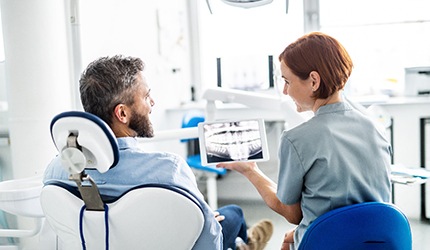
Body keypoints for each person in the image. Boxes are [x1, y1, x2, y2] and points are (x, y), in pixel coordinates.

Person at [43, 55, 273, 250]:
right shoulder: (169, 169)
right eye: (145, 96)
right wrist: (203, 220)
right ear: (122, 113)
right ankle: (245, 243)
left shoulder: (57, 171)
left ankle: (244, 243)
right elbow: (208, 242)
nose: (152, 102)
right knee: (233, 214)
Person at [217, 32, 392, 250]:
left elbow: (291, 212)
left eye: (287, 81)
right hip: (377, 241)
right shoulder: (375, 125)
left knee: (290, 239)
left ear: (313, 81)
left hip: (330, 243)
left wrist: (250, 170)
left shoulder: (297, 139)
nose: (284, 90)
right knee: (293, 237)